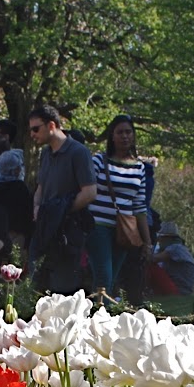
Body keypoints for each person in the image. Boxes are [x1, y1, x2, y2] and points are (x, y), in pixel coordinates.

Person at [29, 105, 98, 293]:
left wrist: (61, 211)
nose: (32, 134)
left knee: (63, 288)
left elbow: (90, 192)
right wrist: (37, 207)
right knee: (37, 286)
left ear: (51, 125)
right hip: (45, 229)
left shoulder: (78, 152)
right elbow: (40, 188)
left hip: (68, 231)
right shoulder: (45, 153)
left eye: (36, 129)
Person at [87, 115, 153, 300]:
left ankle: (94, 314)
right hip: (97, 225)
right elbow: (87, 188)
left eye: (128, 132)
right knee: (104, 276)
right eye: (120, 132)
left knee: (111, 278)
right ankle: (100, 318)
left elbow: (140, 206)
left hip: (124, 231)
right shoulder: (99, 160)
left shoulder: (139, 167)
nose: (125, 136)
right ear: (112, 136)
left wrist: (147, 242)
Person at [148, 222, 194, 296]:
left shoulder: (175, 248)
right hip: (178, 289)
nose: (159, 241)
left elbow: (153, 259)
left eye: (160, 238)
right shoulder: (179, 248)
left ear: (167, 238)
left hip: (178, 290)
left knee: (150, 267)